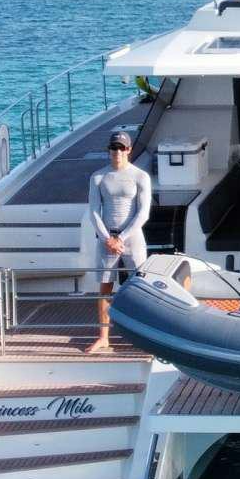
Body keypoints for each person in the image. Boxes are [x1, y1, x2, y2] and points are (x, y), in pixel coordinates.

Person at [86, 130, 152, 354]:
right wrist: (108, 239)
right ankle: (104, 337)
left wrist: (121, 238)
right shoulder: (98, 177)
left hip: (132, 238)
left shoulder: (140, 176)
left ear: (129, 150)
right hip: (106, 240)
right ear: (109, 150)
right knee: (105, 288)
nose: (118, 152)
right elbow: (94, 212)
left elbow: (143, 213)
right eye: (114, 147)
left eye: (122, 148)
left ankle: (144, 337)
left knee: (139, 288)